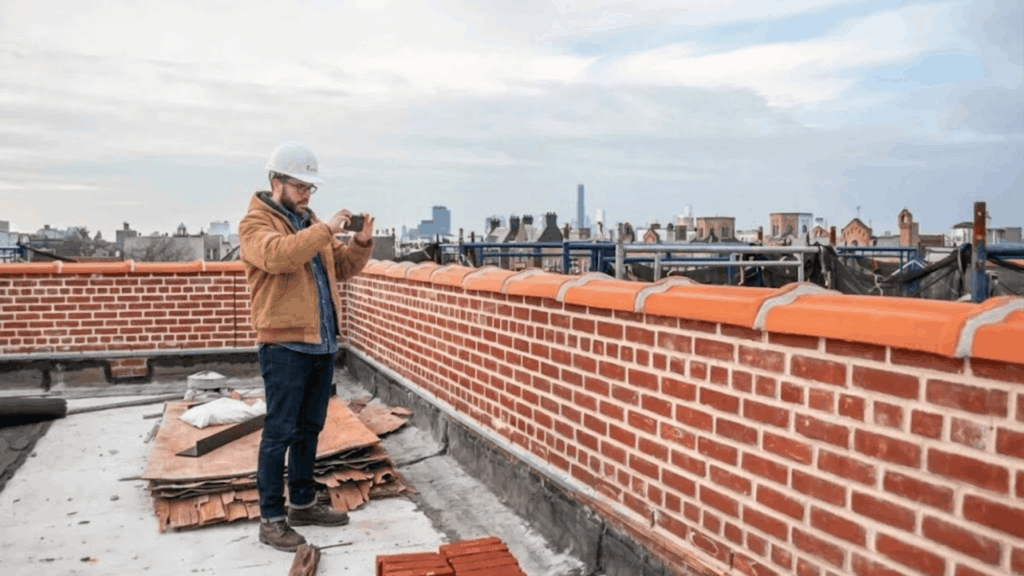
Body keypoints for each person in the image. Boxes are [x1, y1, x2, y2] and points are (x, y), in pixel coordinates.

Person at [239, 142, 374, 552]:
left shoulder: (308, 221)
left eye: (310, 189)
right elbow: (279, 257)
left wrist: (362, 243)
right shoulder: (255, 224)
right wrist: (325, 230)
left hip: (320, 342)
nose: (306, 195)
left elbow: (344, 268)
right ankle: (271, 519)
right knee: (279, 432)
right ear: (275, 182)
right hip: (284, 345)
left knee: (308, 429)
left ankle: (301, 502)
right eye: (300, 187)